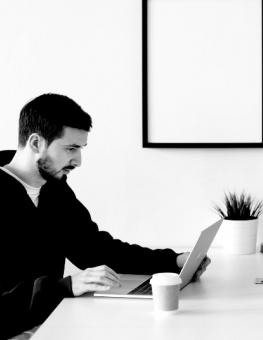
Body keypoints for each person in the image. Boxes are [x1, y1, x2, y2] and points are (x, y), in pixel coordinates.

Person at [0, 94, 210, 339]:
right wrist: (66, 286)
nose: (78, 160)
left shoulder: (54, 188)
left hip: (50, 322)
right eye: (71, 148)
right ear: (36, 143)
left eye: (80, 148)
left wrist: (174, 261)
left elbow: (96, 249)